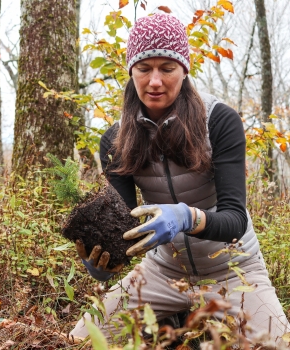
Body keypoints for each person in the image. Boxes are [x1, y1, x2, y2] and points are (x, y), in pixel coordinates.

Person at [70, 13, 289, 345]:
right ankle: (172, 320)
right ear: (131, 71)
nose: (155, 81)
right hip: (164, 273)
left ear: (184, 71)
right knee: (82, 340)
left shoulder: (219, 120)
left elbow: (234, 220)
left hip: (234, 270)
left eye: (167, 68)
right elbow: (124, 227)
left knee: (277, 345)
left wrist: (186, 217)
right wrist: (104, 260)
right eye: (144, 69)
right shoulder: (116, 139)